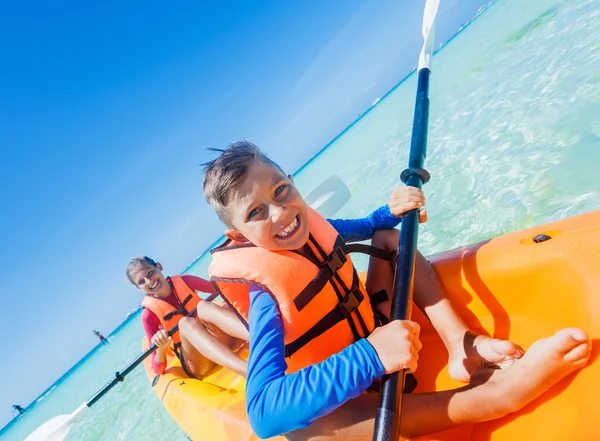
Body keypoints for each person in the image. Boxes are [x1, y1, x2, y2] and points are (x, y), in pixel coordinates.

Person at [203, 140, 591, 439]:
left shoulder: (316, 230)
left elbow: (371, 225)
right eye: (256, 213)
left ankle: (461, 345)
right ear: (238, 236)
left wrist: (395, 207)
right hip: (349, 393)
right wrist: (369, 357)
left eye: (281, 190)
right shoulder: (264, 298)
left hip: (377, 336)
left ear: (292, 182)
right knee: (301, 430)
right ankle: (493, 398)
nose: (281, 212)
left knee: (390, 237)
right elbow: (263, 412)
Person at [126, 256, 249, 378]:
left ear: (159, 266)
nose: (149, 281)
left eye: (150, 273)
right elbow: (158, 370)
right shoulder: (148, 316)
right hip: (199, 363)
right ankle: (245, 369)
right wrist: (161, 349)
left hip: (221, 340)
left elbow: (224, 290)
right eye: (141, 282)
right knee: (185, 322)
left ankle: (258, 335)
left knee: (203, 306)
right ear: (138, 287)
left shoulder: (186, 281)